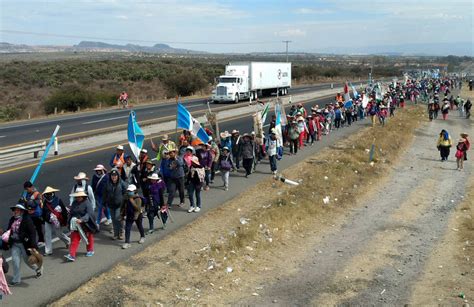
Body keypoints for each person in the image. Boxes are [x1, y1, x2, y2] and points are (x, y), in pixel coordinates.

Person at [6, 204, 43, 285]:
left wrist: (33, 245)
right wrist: (7, 240)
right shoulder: (12, 219)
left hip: (24, 244)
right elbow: (9, 230)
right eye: (14, 210)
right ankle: (16, 280)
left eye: (17, 210)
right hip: (15, 244)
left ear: (22, 212)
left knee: (28, 261)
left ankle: (38, 269)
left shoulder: (27, 220)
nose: (15, 211)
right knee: (15, 262)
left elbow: (32, 233)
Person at [64, 190, 97, 262]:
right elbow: (72, 213)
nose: (77, 198)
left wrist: (82, 219)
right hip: (76, 224)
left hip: (86, 224)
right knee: (74, 239)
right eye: (76, 197)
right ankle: (72, 255)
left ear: (83, 196)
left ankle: (90, 250)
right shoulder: (74, 203)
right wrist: (69, 221)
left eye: (79, 196)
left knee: (89, 237)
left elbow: (89, 214)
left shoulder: (87, 203)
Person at [41, 186, 70, 256]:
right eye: (47, 194)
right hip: (48, 221)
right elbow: (44, 213)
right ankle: (48, 251)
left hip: (57, 221)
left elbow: (63, 211)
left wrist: (64, 222)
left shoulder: (58, 200)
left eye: (50, 194)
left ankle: (68, 241)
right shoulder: (45, 203)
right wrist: (47, 218)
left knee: (59, 234)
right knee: (47, 235)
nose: (49, 195)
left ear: (53, 193)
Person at [103, 168, 128, 240]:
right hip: (111, 205)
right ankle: (116, 234)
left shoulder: (121, 183)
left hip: (119, 205)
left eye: (115, 175)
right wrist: (104, 203)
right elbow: (105, 194)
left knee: (118, 218)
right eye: (112, 175)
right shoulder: (107, 184)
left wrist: (124, 201)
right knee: (113, 219)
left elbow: (125, 192)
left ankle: (121, 232)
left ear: (118, 176)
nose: (114, 177)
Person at [120, 184, 145, 249]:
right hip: (129, 215)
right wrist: (122, 214)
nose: (129, 192)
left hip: (137, 215)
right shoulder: (126, 197)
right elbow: (123, 206)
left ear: (135, 191)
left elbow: (138, 209)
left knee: (139, 226)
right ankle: (127, 242)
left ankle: (142, 236)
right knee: (127, 228)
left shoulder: (138, 198)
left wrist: (132, 202)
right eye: (128, 191)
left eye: (131, 191)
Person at [22, 181, 44, 246]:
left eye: (27, 188)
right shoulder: (26, 194)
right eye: (25, 189)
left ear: (31, 187)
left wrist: (31, 202)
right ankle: (31, 242)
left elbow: (40, 201)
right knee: (29, 228)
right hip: (29, 213)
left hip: (36, 213)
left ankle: (41, 240)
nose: (26, 190)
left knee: (38, 227)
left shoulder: (37, 194)